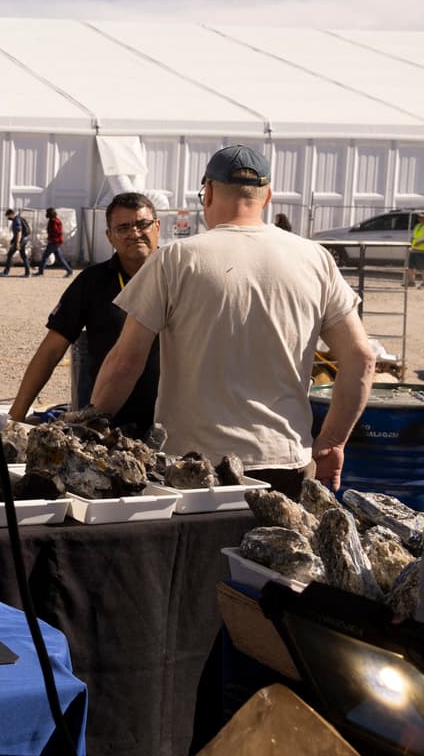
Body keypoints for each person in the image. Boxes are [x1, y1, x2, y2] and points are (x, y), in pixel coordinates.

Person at [90, 145, 375, 496]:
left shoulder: (177, 259)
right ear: (267, 196)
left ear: (207, 192)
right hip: (284, 462)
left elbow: (124, 363)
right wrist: (331, 442)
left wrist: (87, 431)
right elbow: (361, 358)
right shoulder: (314, 259)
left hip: (195, 467)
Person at [9, 193, 161, 435]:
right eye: (123, 228)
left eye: (143, 224)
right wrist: (15, 419)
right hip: (109, 428)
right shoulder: (92, 282)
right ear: (109, 236)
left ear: (157, 226)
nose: (135, 233)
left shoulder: (180, 277)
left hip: (174, 426)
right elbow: (51, 350)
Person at [34, 207, 72, 277]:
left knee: (45, 256)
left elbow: (55, 231)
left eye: (47, 212)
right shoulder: (56, 220)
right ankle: (69, 270)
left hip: (54, 242)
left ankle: (40, 272)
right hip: (56, 241)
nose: (46, 214)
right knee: (60, 258)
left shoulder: (53, 221)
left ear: (50, 213)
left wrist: (51, 238)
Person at [0, 209, 31, 277]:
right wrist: (13, 240)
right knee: (23, 256)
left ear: (11, 214)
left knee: (10, 254)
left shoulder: (16, 220)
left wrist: (17, 243)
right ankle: (27, 273)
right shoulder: (18, 218)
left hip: (21, 240)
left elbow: (19, 232)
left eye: (8, 216)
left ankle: (6, 272)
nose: (8, 218)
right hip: (24, 239)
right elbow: (17, 233)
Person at [408, 215, 424, 288]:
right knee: (411, 266)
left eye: (421, 218)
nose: (420, 219)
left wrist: (420, 243)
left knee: (422, 267)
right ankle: (411, 282)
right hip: (414, 248)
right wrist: (411, 241)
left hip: (422, 250)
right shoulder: (417, 226)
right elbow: (414, 236)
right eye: (419, 217)